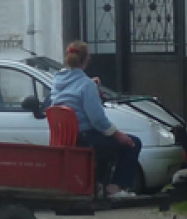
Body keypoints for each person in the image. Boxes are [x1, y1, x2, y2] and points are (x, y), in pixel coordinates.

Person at [49, 41, 142, 199]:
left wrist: (90, 84)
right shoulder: (86, 85)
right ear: (87, 60)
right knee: (132, 143)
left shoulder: (57, 83)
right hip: (85, 137)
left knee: (108, 142)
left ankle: (98, 184)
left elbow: (72, 93)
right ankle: (114, 188)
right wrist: (117, 134)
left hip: (70, 138)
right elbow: (98, 120)